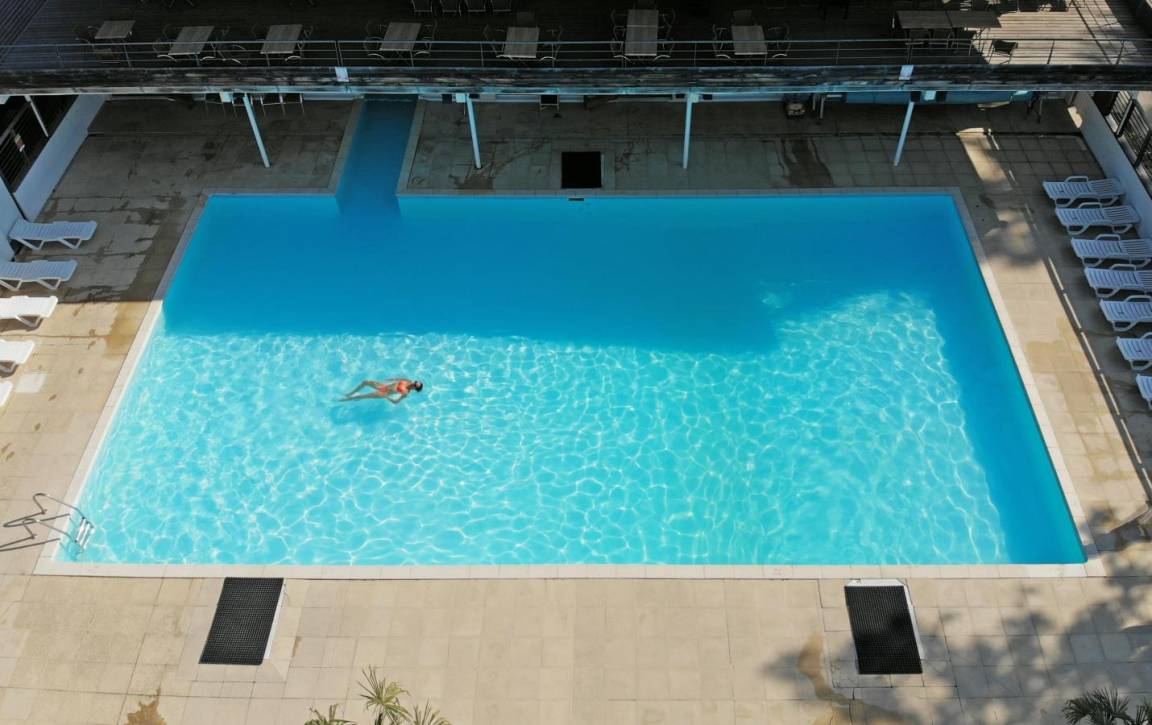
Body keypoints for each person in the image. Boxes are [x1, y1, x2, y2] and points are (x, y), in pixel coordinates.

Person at [339, 378, 423, 404]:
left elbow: (396, 402)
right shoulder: (407, 381)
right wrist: (388, 380)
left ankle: (342, 400)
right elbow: (396, 379)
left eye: (415, 385)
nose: (414, 383)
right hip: (383, 386)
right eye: (415, 382)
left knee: (362, 396)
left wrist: (387, 397)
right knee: (366, 382)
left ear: (415, 389)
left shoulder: (406, 393)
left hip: (383, 393)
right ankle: (350, 393)